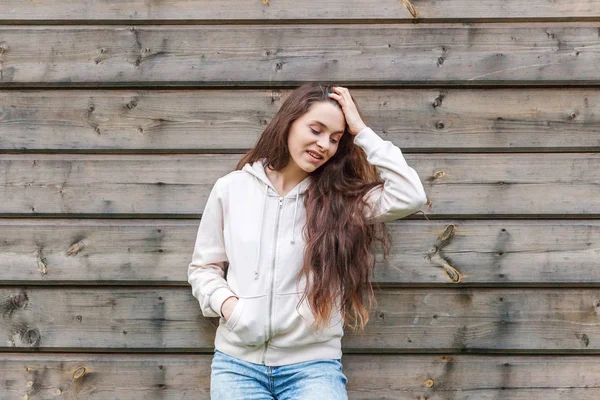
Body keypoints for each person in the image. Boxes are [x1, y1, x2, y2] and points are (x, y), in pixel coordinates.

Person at [187, 83, 428, 399]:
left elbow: (410, 196)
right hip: (237, 366)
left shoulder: (340, 200)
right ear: (288, 122)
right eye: (316, 129)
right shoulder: (231, 188)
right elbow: (203, 268)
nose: (323, 144)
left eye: (335, 138)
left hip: (313, 368)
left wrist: (362, 132)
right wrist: (231, 308)